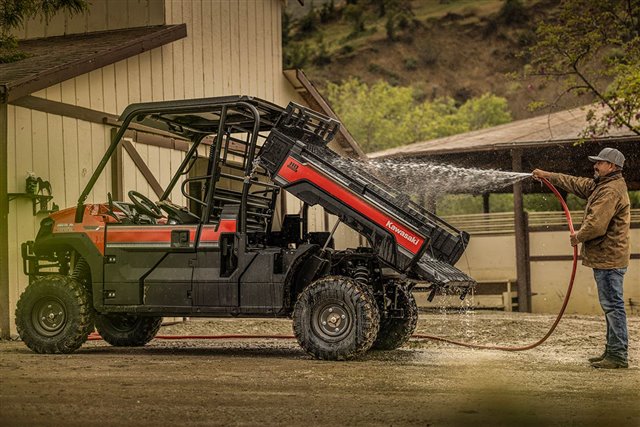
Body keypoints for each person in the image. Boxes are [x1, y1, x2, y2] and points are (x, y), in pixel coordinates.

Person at [532, 147, 630, 369]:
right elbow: (576, 183)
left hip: (609, 259)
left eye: (600, 163)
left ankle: (617, 355)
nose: (595, 166)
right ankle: (613, 350)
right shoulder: (602, 185)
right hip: (607, 258)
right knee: (611, 306)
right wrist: (548, 175)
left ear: (612, 167)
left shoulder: (610, 191)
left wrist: (578, 236)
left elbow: (596, 225)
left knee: (613, 306)